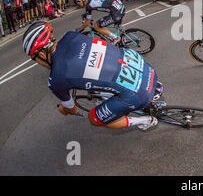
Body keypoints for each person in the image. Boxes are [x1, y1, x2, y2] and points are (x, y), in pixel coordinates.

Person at [22, 22, 159, 130]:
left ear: (40, 54)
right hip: (146, 69)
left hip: (139, 94)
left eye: (35, 60)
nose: (38, 62)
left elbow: (72, 109)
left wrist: (63, 109)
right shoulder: (71, 35)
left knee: (94, 118)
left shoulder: (56, 78)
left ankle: (145, 121)